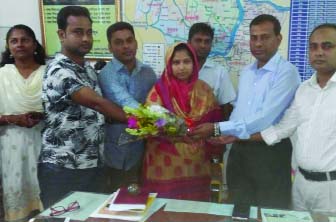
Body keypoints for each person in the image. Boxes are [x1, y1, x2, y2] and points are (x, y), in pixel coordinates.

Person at [252, 23, 336, 217]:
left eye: (327, 46)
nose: (319, 52)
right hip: (301, 186)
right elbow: (284, 128)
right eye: (313, 46)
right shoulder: (304, 89)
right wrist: (241, 136)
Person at [189, 14, 300, 208]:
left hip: (269, 152)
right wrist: (226, 136)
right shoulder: (247, 72)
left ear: (278, 39)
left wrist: (218, 129)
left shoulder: (286, 72)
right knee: (239, 209)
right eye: (253, 37)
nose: (258, 43)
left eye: (264, 37)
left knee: (269, 210)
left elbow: (264, 118)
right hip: (239, 149)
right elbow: (238, 111)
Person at [39, 6, 127, 208]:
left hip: (93, 165)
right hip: (62, 169)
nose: (86, 38)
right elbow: (97, 102)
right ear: (62, 34)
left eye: (89, 32)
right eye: (78, 32)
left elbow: (97, 114)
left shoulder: (87, 69)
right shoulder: (59, 70)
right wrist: (136, 120)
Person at [141, 42, 223, 201]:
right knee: (163, 209)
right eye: (176, 62)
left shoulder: (204, 90)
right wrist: (171, 130)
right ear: (168, 64)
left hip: (197, 164)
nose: (182, 67)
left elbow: (215, 123)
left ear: (194, 63)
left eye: (187, 61)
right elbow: (149, 122)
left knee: (194, 209)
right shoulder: (159, 89)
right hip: (164, 162)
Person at [99, 22, 157, 192]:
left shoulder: (148, 72)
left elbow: (157, 102)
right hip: (116, 150)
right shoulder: (107, 74)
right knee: (116, 202)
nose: (126, 46)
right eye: (118, 42)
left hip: (142, 149)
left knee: (142, 200)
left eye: (129, 40)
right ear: (110, 47)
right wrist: (162, 122)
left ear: (136, 43)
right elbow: (129, 106)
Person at [0, 24, 46, 222]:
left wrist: (42, 115)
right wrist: (13, 119)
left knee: (48, 198)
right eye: (14, 41)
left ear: (34, 44)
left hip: (45, 143)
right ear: (8, 46)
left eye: (25, 39)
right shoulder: (2, 76)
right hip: (12, 146)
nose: (19, 44)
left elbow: (62, 109)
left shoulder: (50, 72)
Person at [187, 22, 236, 120]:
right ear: (189, 43)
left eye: (207, 41)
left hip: (207, 131)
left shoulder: (220, 72)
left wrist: (220, 132)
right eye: (198, 40)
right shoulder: (178, 69)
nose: (203, 45)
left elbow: (226, 108)